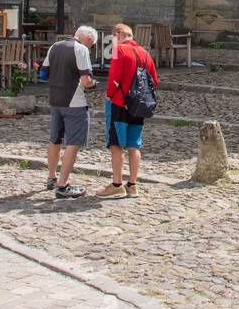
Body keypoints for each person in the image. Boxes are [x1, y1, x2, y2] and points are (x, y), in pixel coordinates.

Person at [97, 22, 158, 200]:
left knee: (116, 144)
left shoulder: (119, 50)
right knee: (134, 145)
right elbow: (154, 80)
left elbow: (114, 77)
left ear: (117, 35)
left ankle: (117, 185)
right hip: (139, 105)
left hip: (120, 103)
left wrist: (109, 95)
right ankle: (132, 185)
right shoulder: (145, 53)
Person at [42, 25, 97, 200]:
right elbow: (86, 80)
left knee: (55, 139)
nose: (91, 47)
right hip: (74, 102)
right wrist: (94, 84)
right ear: (88, 40)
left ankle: (52, 177)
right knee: (73, 143)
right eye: (92, 44)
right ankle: (62, 185)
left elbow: (43, 74)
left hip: (55, 100)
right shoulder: (81, 50)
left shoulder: (54, 46)